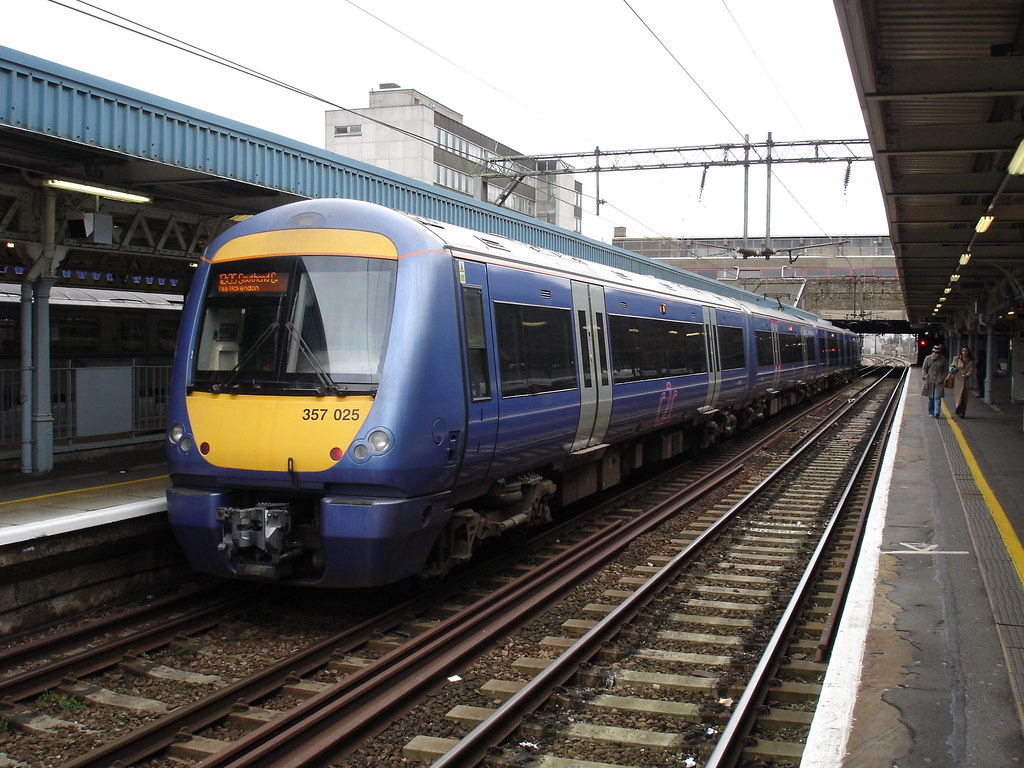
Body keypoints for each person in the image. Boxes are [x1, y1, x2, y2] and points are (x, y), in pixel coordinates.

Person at [921, 344, 948, 418]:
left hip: (939, 382)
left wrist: (942, 378)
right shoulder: (928, 358)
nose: (936, 354)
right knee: (931, 397)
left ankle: (937, 412)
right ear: (933, 352)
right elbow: (924, 369)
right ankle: (931, 411)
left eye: (938, 353)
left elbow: (945, 370)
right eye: (935, 353)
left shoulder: (943, 359)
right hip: (930, 381)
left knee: (937, 397)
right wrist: (926, 376)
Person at [950, 347, 975, 417]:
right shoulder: (957, 359)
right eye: (963, 351)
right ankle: (958, 409)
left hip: (965, 380)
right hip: (957, 379)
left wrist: (967, 375)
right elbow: (951, 366)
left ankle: (962, 411)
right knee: (958, 395)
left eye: (966, 351)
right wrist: (953, 369)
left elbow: (971, 370)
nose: (964, 352)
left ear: (968, 352)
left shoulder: (971, 361)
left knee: (964, 395)